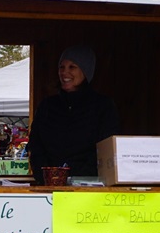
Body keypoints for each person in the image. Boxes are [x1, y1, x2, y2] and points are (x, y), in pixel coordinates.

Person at [29, 45, 119, 183]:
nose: (65, 73)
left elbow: (106, 149)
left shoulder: (102, 106)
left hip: (88, 187)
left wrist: (78, 177)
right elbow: (36, 146)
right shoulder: (47, 106)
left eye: (72, 67)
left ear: (86, 71)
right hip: (49, 185)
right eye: (61, 67)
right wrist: (46, 176)